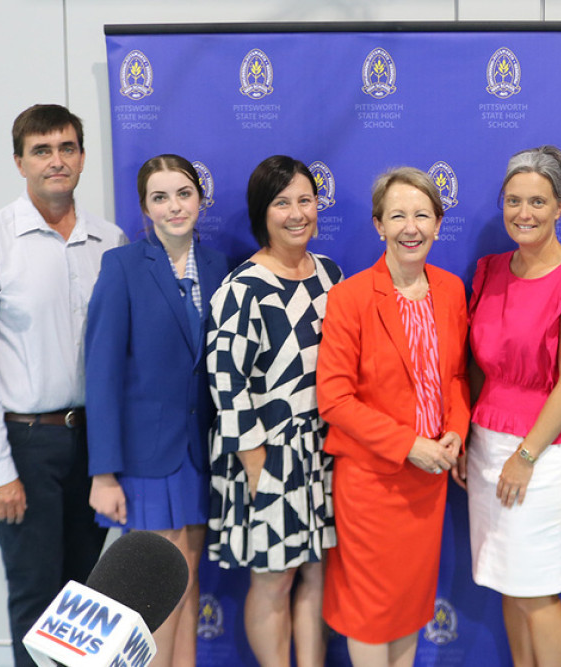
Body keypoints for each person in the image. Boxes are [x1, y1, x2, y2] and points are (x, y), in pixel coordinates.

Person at [461, 145, 561, 666]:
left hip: (542, 455)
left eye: (537, 202)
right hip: (487, 445)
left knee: (537, 591)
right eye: (513, 201)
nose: (523, 214)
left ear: (560, 207)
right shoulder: (488, 271)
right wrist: (469, 437)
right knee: (509, 584)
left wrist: (525, 456)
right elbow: (479, 366)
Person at [0, 104, 126, 666]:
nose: (56, 161)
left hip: (94, 443)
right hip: (26, 446)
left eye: (67, 148)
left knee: (86, 600)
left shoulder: (109, 240)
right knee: (35, 599)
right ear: (19, 161)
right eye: (41, 150)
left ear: (83, 158)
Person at [316, 167, 470, 667]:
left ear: (439, 224)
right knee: (369, 610)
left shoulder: (451, 291)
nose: (411, 227)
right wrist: (409, 445)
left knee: (409, 606)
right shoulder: (351, 297)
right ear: (378, 225)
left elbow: (456, 378)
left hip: (429, 481)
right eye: (397, 215)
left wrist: (455, 433)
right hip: (372, 484)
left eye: (422, 215)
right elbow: (335, 400)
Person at [85, 154, 228, 665]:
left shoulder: (217, 265)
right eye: (160, 197)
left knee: (186, 586)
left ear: (200, 199)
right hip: (147, 460)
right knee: (152, 601)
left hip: (200, 455)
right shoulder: (122, 266)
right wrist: (103, 473)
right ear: (145, 209)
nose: (174, 206)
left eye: (184, 194)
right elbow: (100, 375)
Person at [206, 155, 342, 667]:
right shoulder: (241, 289)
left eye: (304, 201)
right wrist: (254, 460)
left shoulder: (330, 274)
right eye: (282, 203)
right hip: (265, 452)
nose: (295, 213)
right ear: (262, 213)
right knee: (274, 578)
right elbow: (227, 381)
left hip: (322, 448)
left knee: (316, 570)